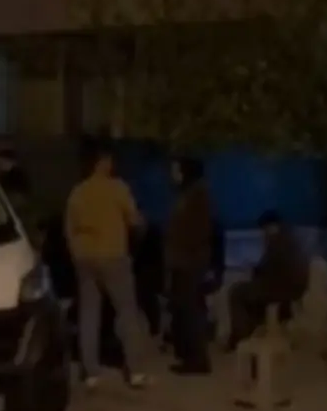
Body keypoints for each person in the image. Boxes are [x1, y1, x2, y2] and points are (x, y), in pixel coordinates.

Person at [64, 141, 151, 389]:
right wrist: (142, 226)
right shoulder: (116, 188)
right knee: (127, 312)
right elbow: (134, 221)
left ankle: (91, 372)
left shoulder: (78, 192)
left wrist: (76, 254)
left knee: (89, 314)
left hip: (85, 258)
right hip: (113, 255)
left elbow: (69, 229)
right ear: (102, 163)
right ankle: (135, 370)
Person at [227, 211, 310, 349]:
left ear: (271, 226)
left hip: (281, 289)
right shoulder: (292, 238)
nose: (262, 233)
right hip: (293, 288)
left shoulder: (277, 241)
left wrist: (254, 269)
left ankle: (241, 336)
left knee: (236, 292)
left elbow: (267, 268)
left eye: (263, 229)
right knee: (250, 294)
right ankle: (251, 331)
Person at [165, 156, 215, 375]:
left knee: (191, 310)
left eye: (176, 170)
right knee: (183, 309)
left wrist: (185, 252)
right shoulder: (188, 194)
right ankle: (188, 356)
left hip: (190, 262)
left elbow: (199, 230)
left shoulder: (197, 195)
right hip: (183, 261)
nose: (173, 175)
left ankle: (197, 359)